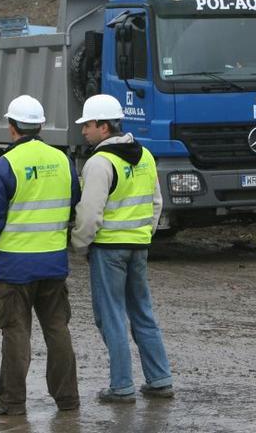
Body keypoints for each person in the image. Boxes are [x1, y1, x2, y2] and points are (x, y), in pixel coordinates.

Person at [0, 94, 81, 416]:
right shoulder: (63, 161)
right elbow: (72, 203)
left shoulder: (3, 167)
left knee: (15, 332)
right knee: (57, 329)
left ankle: (11, 402)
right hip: (52, 262)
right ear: (41, 126)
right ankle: (68, 400)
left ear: (12, 128)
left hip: (14, 266)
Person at [70, 94, 174, 403]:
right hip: (138, 246)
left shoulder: (99, 163)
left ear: (103, 126)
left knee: (111, 316)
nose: (84, 131)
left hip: (108, 250)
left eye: (87, 125)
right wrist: (144, 234)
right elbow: (157, 203)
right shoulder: (145, 156)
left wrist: (79, 244)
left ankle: (121, 386)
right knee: (142, 312)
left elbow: (89, 214)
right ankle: (159, 379)